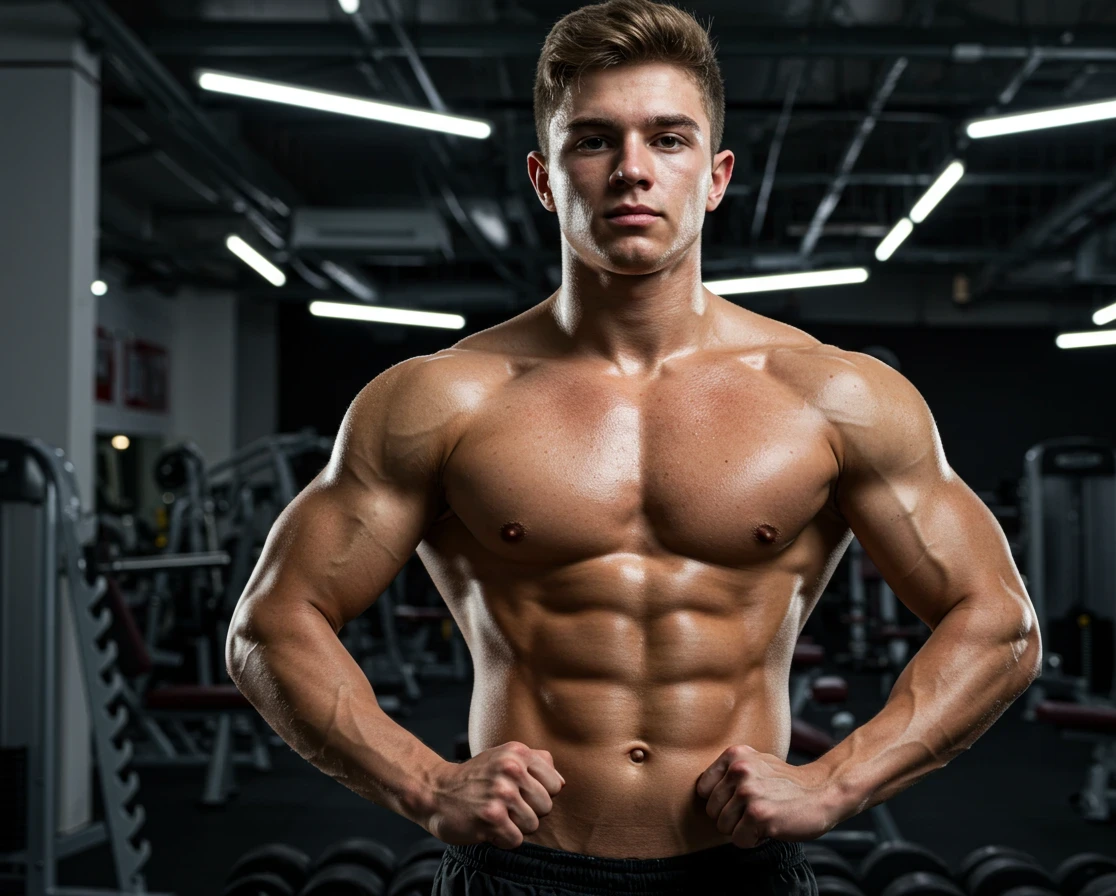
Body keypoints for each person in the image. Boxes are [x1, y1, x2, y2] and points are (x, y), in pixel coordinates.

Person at [225, 1, 1042, 893]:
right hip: (517, 874)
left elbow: (998, 624)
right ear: (544, 178)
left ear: (718, 174)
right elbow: (272, 623)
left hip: (739, 874)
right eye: (593, 141)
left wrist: (837, 782)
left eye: (669, 139)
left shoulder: (833, 396)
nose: (632, 172)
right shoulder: (441, 398)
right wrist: (425, 783)